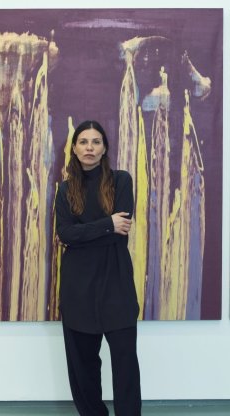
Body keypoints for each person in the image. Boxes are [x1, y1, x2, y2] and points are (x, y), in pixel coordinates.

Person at [54, 120, 141, 415]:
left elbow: (123, 225)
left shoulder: (121, 181)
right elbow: (65, 234)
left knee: (126, 364)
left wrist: (84, 234)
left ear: (104, 148)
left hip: (116, 282)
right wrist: (107, 225)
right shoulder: (66, 190)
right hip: (77, 288)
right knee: (83, 368)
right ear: (74, 149)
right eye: (83, 142)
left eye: (96, 142)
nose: (89, 147)